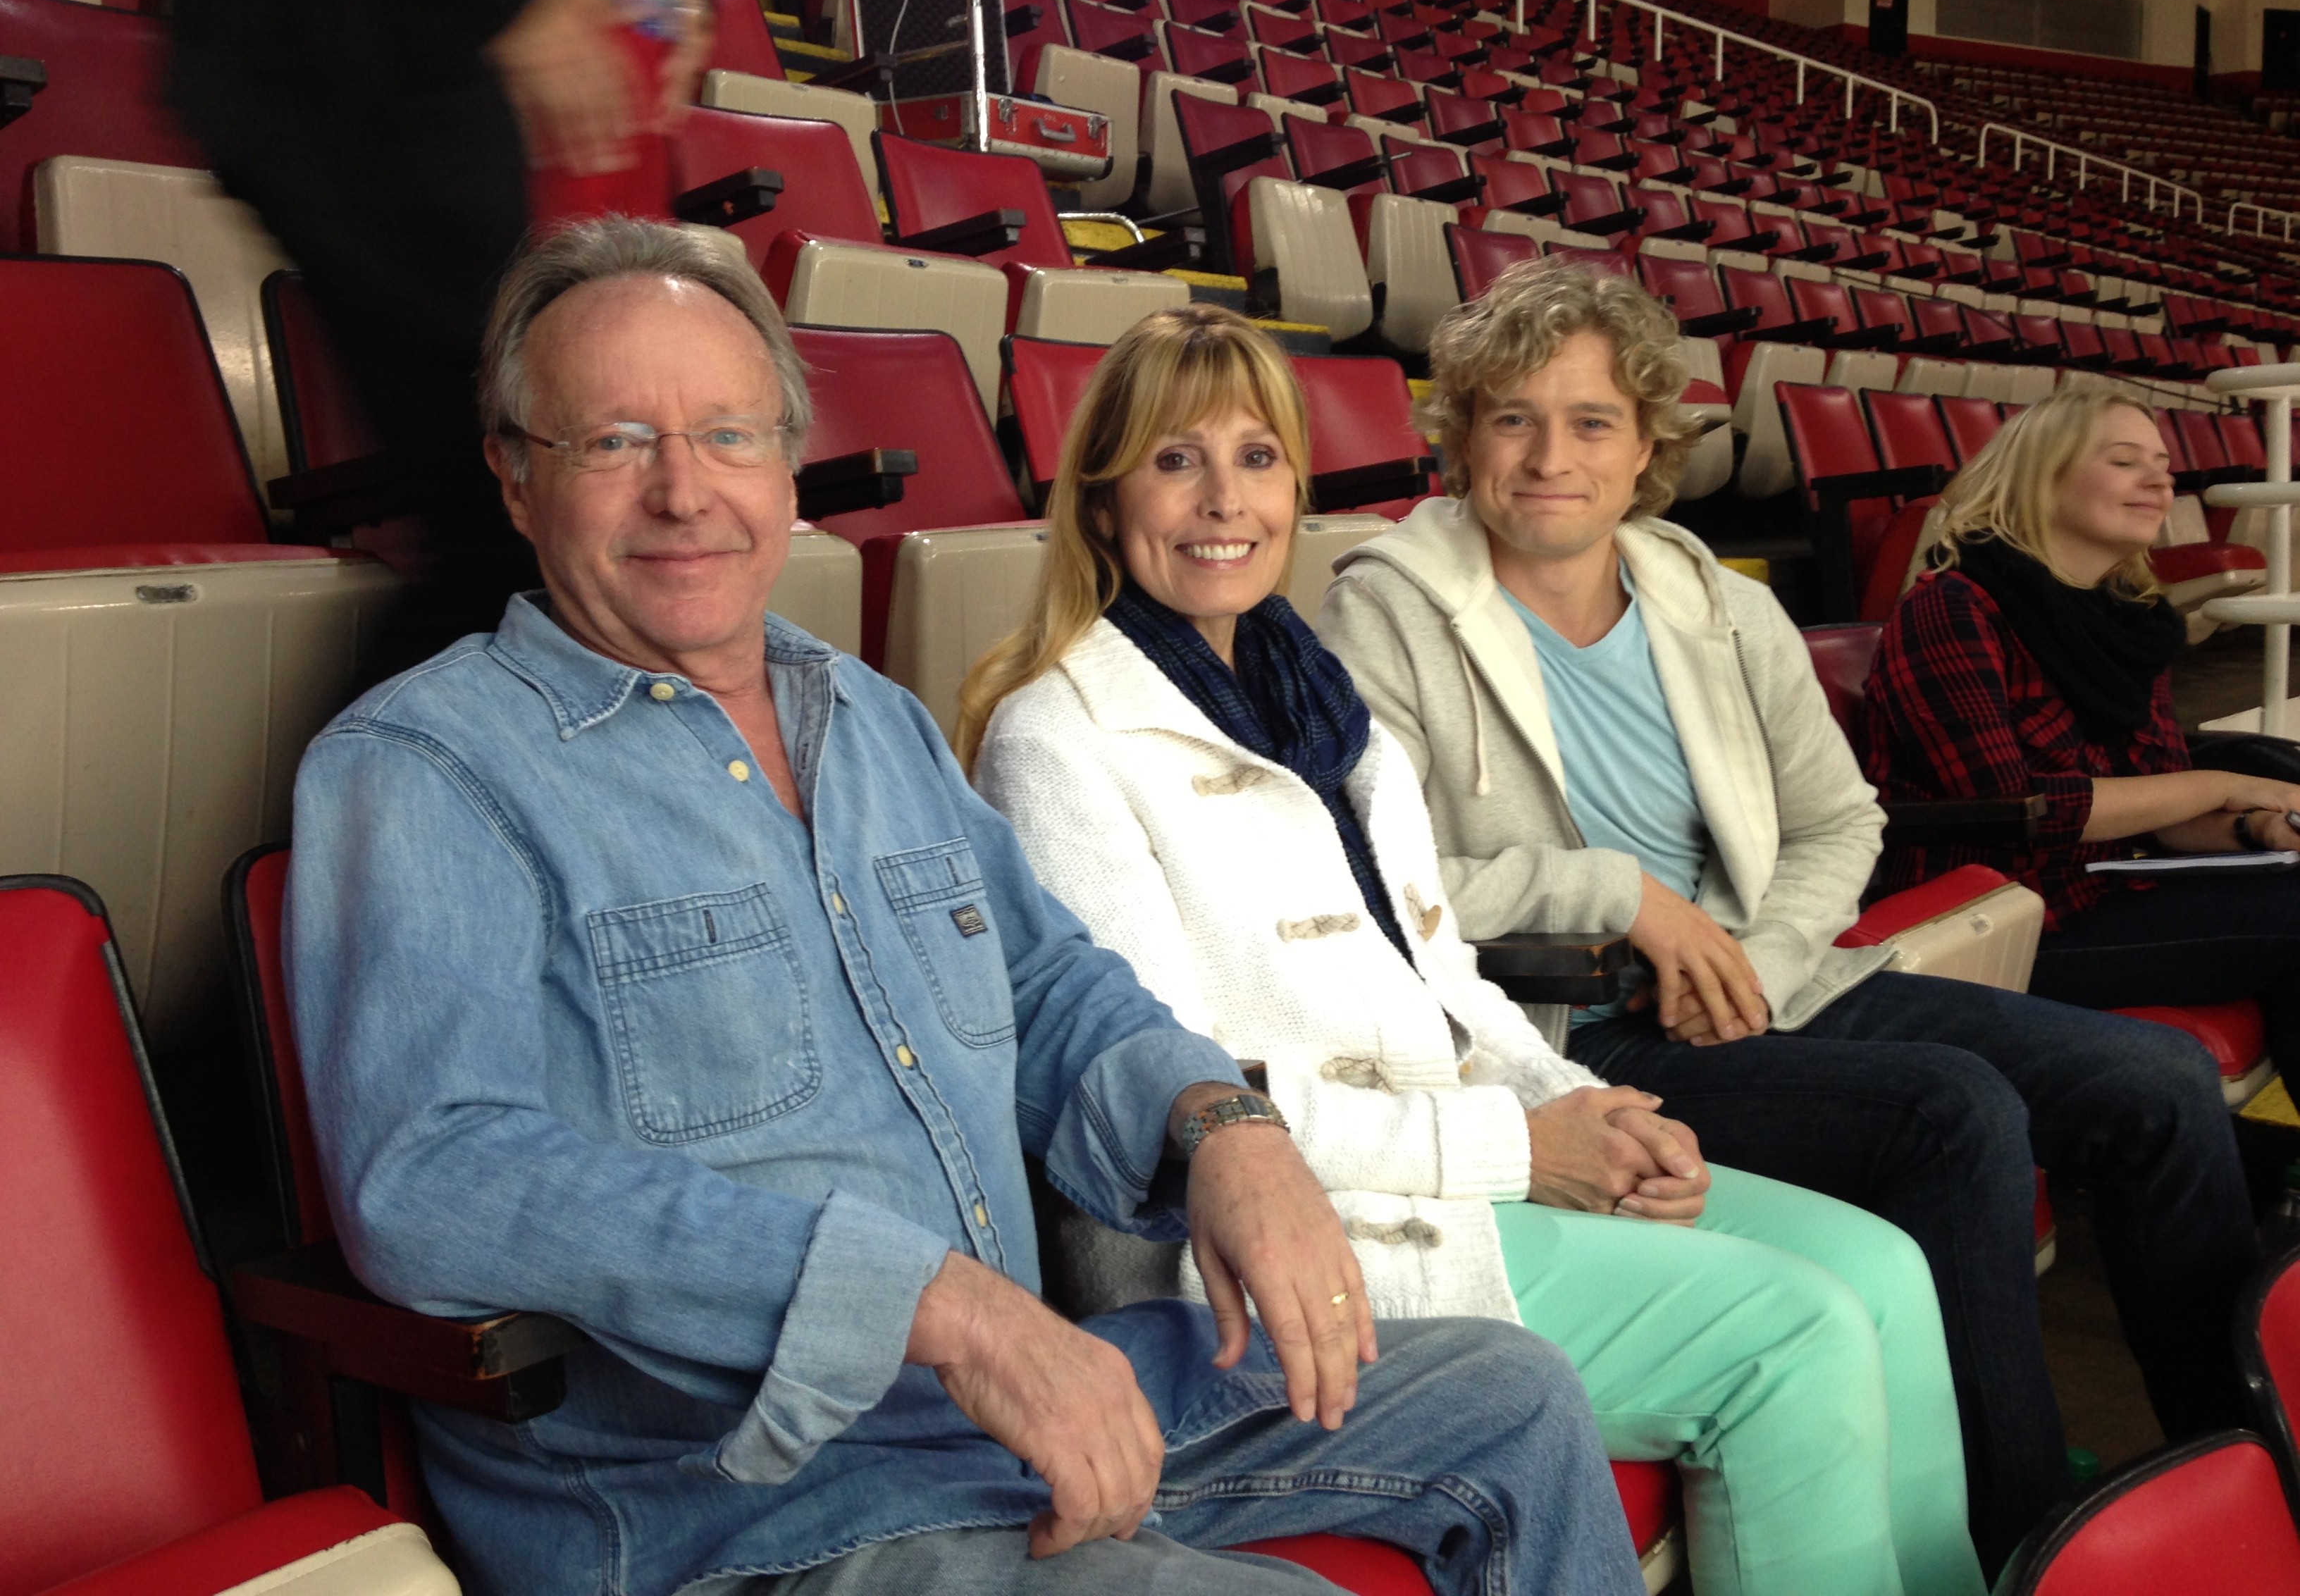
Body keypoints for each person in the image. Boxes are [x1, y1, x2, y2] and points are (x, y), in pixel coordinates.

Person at [284, 219, 1640, 1596]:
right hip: (749, 1502)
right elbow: (434, 1180)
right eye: (617, 441)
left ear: (790, 464)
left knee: (1516, 1393)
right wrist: (930, 1304)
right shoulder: (425, 770)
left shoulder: (868, 718)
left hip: (1012, 1410)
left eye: (731, 436)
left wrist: (1223, 1125)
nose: (684, 491)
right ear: (517, 479)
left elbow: (1052, 989)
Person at [960, 304, 1985, 1596]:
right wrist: (1518, 1149)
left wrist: (1587, 1107)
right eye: (1174, 461)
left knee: (1883, 1271)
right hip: (1295, 1244)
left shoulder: (1325, 712)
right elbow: (1172, 1096)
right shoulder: (1056, 737)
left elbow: (1446, 986)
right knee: (1795, 1337)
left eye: (1256, 457)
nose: (1223, 498)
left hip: (1458, 1173)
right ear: (1102, 503)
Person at [1313, 257, 2260, 1573]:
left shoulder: (1714, 599)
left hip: (1764, 982)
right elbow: (1378, 881)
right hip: (1568, 1023)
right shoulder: (1381, 610)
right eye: (1509, 417)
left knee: (2151, 1081)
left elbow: (1840, 823)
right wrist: (1624, 896)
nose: (1546, 456)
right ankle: (2021, 1528)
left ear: (1645, 444)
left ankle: (2238, 1458)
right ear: (1460, 436)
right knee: (1951, 1111)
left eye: (1589, 421)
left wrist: (1751, 957)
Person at [170, 0, 710, 672]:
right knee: (523, 529)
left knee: (533, 532)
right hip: (353, 71)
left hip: (479, 95)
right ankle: (382, 787)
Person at [1864, 386, 2300, 1079]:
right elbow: (2019, 808)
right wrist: (2223, 785)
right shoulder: (1951, 606)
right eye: (2126, 462)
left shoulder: (2129, 620)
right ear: (2042, 477)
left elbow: (2160, 818)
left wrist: (2258, 830)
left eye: (2162, 463)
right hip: (1999, 927)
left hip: (2106, 893)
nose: (2160, 480)